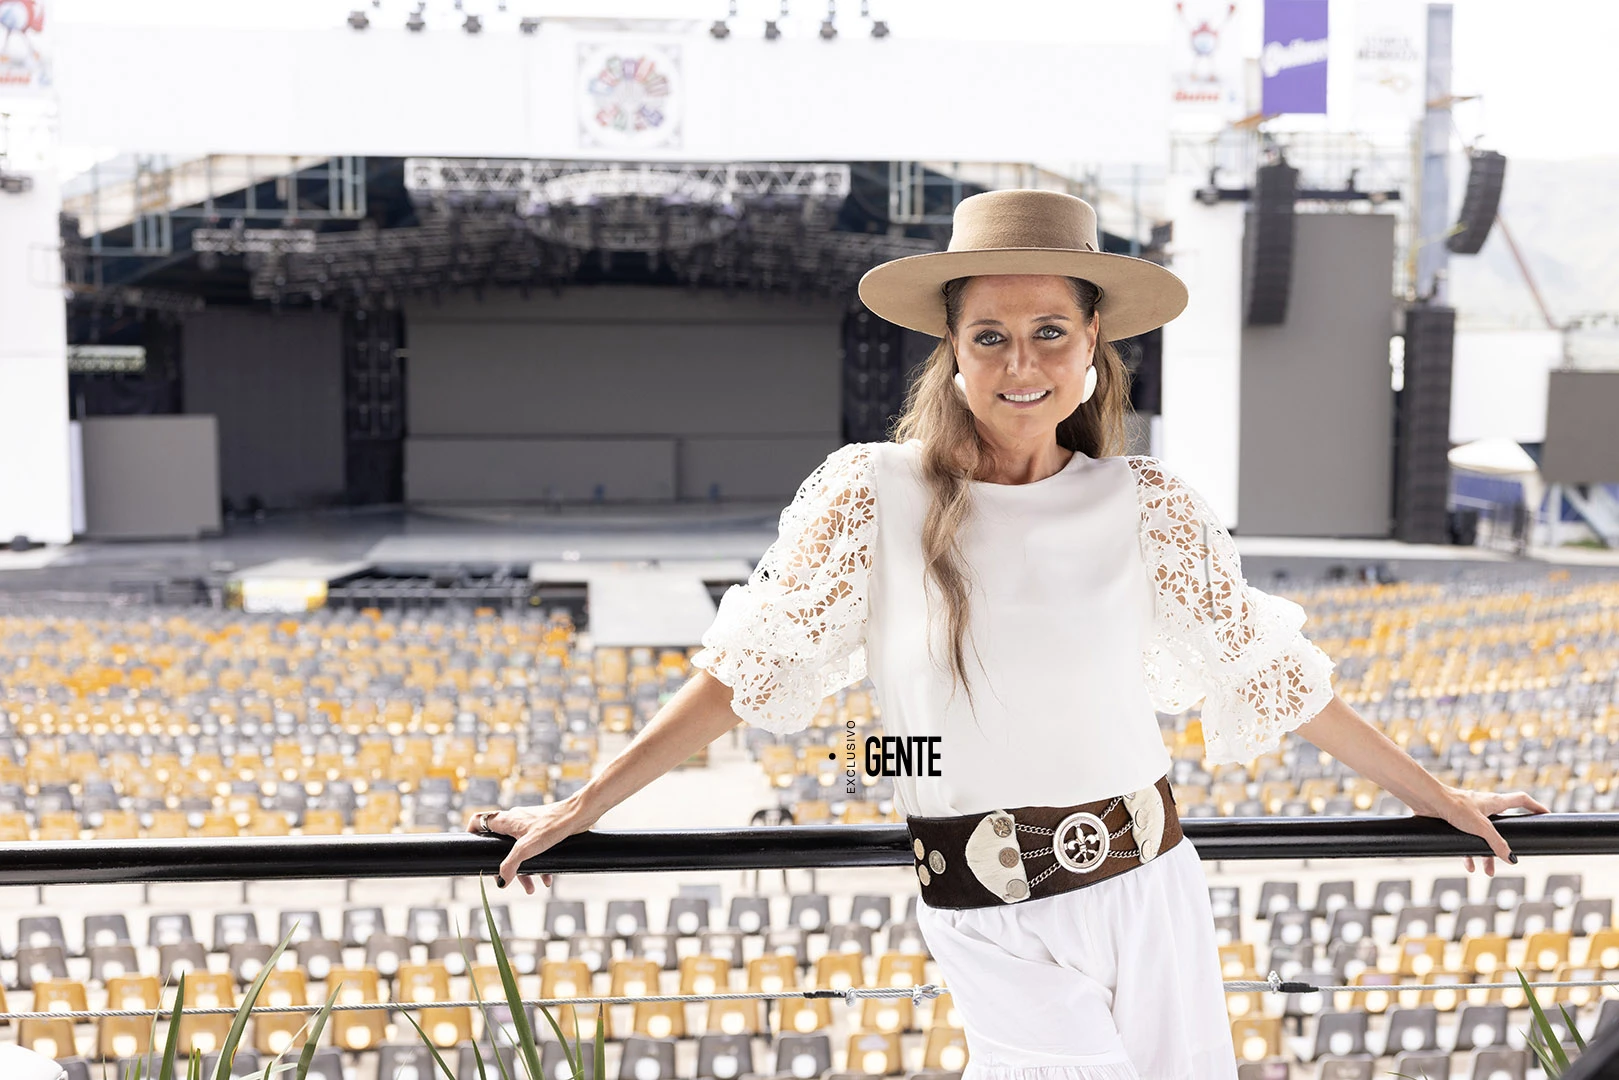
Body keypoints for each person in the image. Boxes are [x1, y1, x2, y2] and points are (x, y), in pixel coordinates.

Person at [468, 190, 1548, 1077]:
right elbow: (741, 675)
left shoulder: (1150, 505)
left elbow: (1274, 678)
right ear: (951, 347)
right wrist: (578, 805)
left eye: (1047, 333)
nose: (1017, 362)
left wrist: (1439, 800)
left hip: (1150, 886)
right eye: (988, 335)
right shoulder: (867, 494)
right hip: (985, 910)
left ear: (1090, 347)